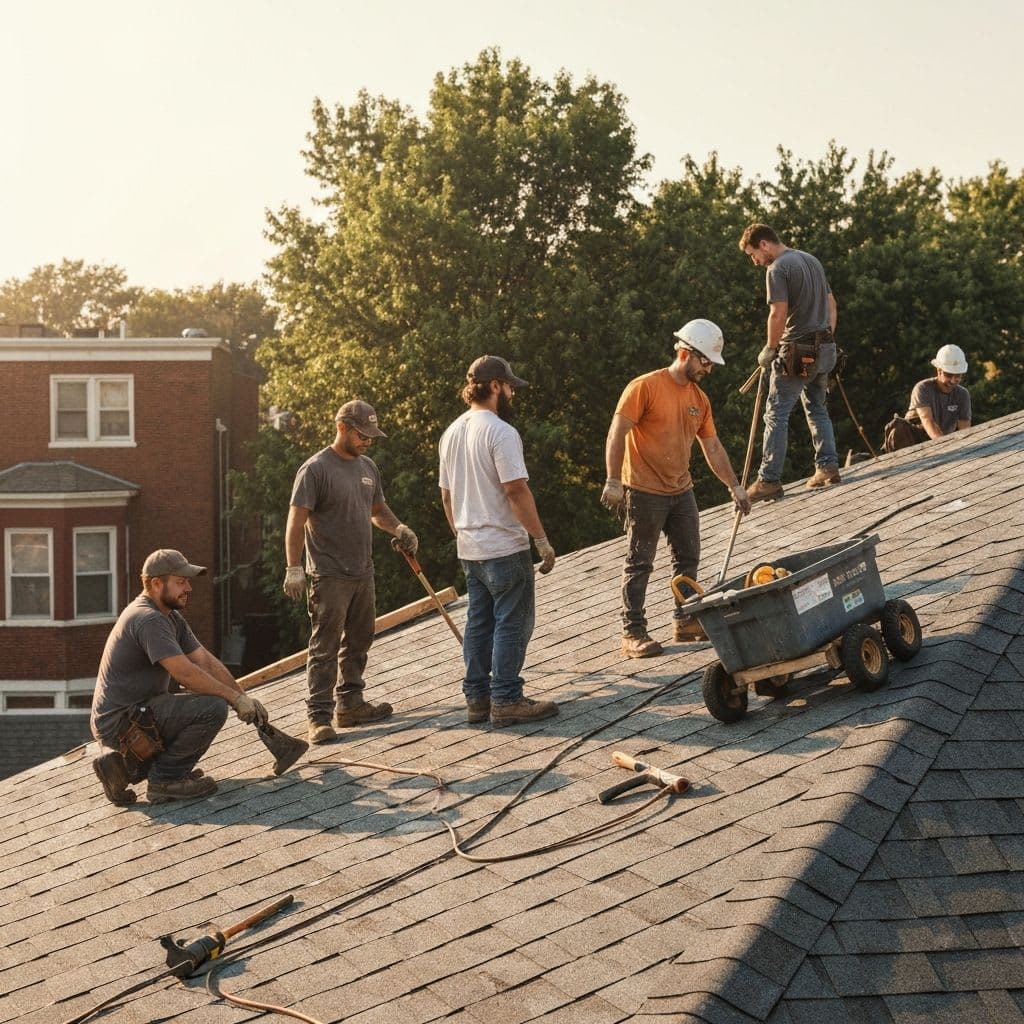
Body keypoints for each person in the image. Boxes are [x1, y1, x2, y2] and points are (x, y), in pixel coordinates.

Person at [602, 320, 752, 659]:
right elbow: (618, 432)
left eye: (711, 363)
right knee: (639, 561)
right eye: (705, 361)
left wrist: (735, 487)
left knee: (688, 556)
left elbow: (712, 448)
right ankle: (633, 632)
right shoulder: (646, 387)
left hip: (681, 490)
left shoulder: (699, 399)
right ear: (686, 353)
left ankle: (685, 619)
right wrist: (613, 481)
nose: (709, 369)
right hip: (643, 490)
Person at [283, 400, 418, 745]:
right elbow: (296, 520)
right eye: (362, 434)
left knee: (360, 639)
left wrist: (399, 528)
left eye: (372, 435)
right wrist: (294, 568)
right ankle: (319, 718)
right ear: (342, 426)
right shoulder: (315, 469)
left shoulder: (368, 467)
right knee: (325, 647)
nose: (368, 441)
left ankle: (351, 703)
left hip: (362, 571)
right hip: (329, 575)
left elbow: (377, 509)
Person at [90, 549, 268, 806]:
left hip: (135, 714)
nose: (189, 588)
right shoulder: (148, 619)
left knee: (206, 699)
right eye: (181, 581)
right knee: (211, 708)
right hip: (122, 722)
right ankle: (165, 779)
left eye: (188, 581)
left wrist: (242, 697)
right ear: (156, 583)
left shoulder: (170, 618)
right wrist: (230, 699)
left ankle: (122, 769)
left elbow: (204, 661)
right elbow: (185, 672)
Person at [438, 356, 558, 727]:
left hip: (470, 548)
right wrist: (541, 540)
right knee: (512, 621)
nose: (511, 393)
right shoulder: (500, 432)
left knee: (479, 622)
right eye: (508, 387)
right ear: (494, 387)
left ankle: (477, 700)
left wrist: (463, 533)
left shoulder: (452, 432)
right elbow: (516, 491)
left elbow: (446, 495)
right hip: (504, 547)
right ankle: (506, 699)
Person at [738, 223, 841, 501]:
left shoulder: (778, 269)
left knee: (776, 413)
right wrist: (825, 335)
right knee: (817, 407)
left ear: (763, 244)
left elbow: (777, 313)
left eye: (752, 255)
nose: (755, 262)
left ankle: (768, 480)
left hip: (799, 350)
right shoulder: (811, 260)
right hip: (827, 347)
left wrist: (771, 348)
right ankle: (828, 466)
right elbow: (832, 305)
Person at [885, 344, 972, 451]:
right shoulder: (922, 388)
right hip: (913, 442)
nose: (954, 380)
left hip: (942, 442)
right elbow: (928, 421)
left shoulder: (963, 394)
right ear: (939, 370)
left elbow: (965, 430)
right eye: (949, 375)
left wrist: (962, 448)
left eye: (958, 375)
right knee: (898, 430)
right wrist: (945, 447)